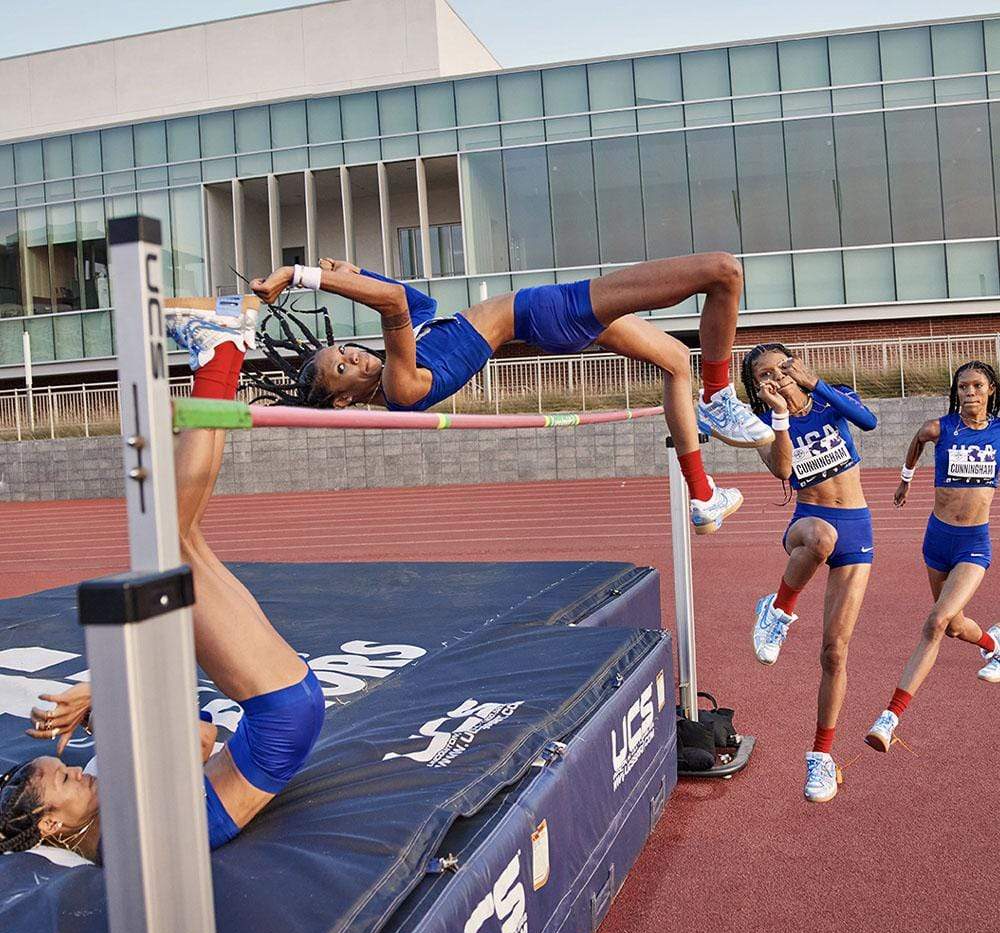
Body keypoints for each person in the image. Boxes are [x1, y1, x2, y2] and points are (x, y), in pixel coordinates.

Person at [0, 297, 325, 860]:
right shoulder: (124, 834)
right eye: (66, 781)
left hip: (277, 718)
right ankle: (220, 352)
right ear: (52, 826)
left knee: (183, 537)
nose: (77, 773)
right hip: (280, 717)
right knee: (166, 546)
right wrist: (106, 702)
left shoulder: (105, 803)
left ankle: (224, 356)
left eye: (65, 768)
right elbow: (200, 737)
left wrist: (111, 711)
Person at [248, 253, 776, 535]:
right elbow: (392, 305)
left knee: (675, 361)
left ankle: (702, 495)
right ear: (344, 400)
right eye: (342, 369)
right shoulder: (400, 383)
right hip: (548, 312)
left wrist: (355, 272)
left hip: (543, 317)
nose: (354, 356)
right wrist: (302, 275)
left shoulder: (405, 357)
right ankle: (719, 394)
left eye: (344, 349)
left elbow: (414, 299)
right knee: (722, 271)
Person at [741, 344, 878, 803]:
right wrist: (779, 415)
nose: (776, 377)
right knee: (820, 539)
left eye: (782, 367)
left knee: (835, 653)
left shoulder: (830, 396)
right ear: (758, 389)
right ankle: (778, 609)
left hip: (857, 524)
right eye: (765, 375)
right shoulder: (764, 425)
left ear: (795, 367)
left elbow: (868, 421)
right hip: (808, 523)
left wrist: (815, 382)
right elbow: (782, 468)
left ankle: (821, 755)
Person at [866, 361, 1000, 752]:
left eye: (977, 386)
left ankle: (890, 716)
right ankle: (993, 646)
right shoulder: (939, 428)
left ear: (991, 389)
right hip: (936, 540)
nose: (969, 393)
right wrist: (905, 480)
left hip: (973, 544)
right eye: (962, 387)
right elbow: (917, 442)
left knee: (936, 622)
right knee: (956, 626)